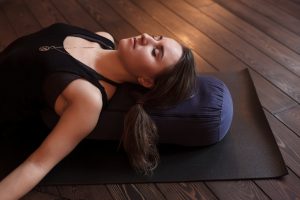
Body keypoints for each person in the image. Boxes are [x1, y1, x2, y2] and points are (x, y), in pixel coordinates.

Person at [0, 23, 197, 199]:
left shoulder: (88, 98)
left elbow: (38, 164)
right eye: (157, 37)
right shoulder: (103, 38)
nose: (146, 37)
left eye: (155, 52)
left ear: (146, 80)